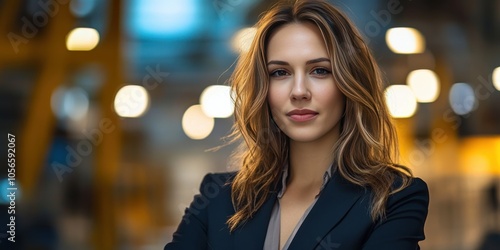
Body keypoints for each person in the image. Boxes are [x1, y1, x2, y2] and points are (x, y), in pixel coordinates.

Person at [165, 0, 429, 249]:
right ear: (263, 89)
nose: (299, 91)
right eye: (280, 73)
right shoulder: (217, 199)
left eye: (320, 70)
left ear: (349, 83)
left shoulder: (394, 200)